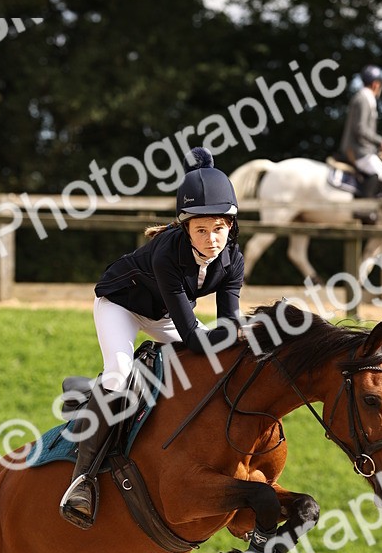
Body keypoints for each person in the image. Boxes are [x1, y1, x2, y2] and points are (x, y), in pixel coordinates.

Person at [59, 146, 244, 529]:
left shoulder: (233, 261)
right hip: (121, 307)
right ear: (185, 228)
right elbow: (193, 336)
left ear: (231, 226)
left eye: (219, 229)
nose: (212, 240)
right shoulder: (166, 253)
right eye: (201, 230)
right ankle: (83, 480)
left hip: (162, 314)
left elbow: (229, 325)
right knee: (118, 375)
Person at [339, 65, 382, 224]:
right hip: (356, 150)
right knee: (379, 171)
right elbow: (360, 129)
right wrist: (381, 141)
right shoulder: (363, 98)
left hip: (364, 148)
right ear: (376, 84)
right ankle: (363, 210)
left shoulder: (366, 99)